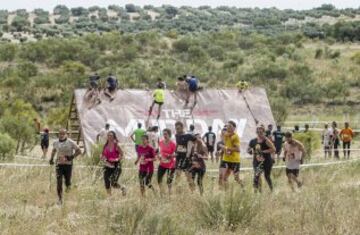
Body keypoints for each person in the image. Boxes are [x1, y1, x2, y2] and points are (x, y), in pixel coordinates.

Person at [49, 129, 81, 205]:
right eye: (60, 134)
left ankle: (68, 187)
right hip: (59, 165)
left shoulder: (70, 142)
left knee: (67, 182)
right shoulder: (55, 143)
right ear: (58, 134)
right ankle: (60, 199)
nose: (61, 135)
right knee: (59, 182)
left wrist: (71, 157)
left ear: (66, 134)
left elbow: (79, 151)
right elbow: (54, 150)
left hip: (68, 165)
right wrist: (51, 159)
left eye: (63, 134)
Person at [248, 125, 276, 193]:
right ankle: (257, 191)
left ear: (264, 132)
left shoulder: (266, 140)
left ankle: (272, 190)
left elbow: (273, 149)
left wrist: (263, 151)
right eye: (258, 132)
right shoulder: (253, 141)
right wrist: (249, 151)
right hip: (257, 161)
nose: (259, 133)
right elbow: (248, 148)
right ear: (256, 132)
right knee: (256, 175)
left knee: (267, 176)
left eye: (261, 132)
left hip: (266, 161)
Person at [101, 131, 126, 196]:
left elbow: (122, 154)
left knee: (113, 183)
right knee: (106, 181)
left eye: (111, 135)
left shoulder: (116, 145)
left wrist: (117, 159)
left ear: (114, 137)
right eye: (108, 135)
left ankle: (122, 188)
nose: (109, 136)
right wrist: (102, 158)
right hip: (107, 165)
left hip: (116, 165)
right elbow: (103, 155)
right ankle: (110, 197)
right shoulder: (105, 145)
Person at [218, 121, 242, 190]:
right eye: (227, 126)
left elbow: (238, 149)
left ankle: (243, 187)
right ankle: (226, 193)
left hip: (234, 160)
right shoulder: (226, 135)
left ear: (234, 128)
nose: (228, 127)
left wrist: (226, 148)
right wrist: (221, 150)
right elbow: (225, 143)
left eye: (230, 126)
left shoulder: (235, 136)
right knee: (222, 177)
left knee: (236, 178)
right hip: (225, 159)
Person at [157, 129, 176, 195]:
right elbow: (159, 152)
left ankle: (170, 193)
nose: (164, 135)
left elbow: (176, 154)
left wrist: (170, 155)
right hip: (162, 164)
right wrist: (159, 156)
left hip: (171, 165)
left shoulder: (173, 144)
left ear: (169, 135)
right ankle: (161, 192)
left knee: (169, 181)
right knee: (159, 179)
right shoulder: (160, 142)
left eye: (166, 134)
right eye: (163, 134)